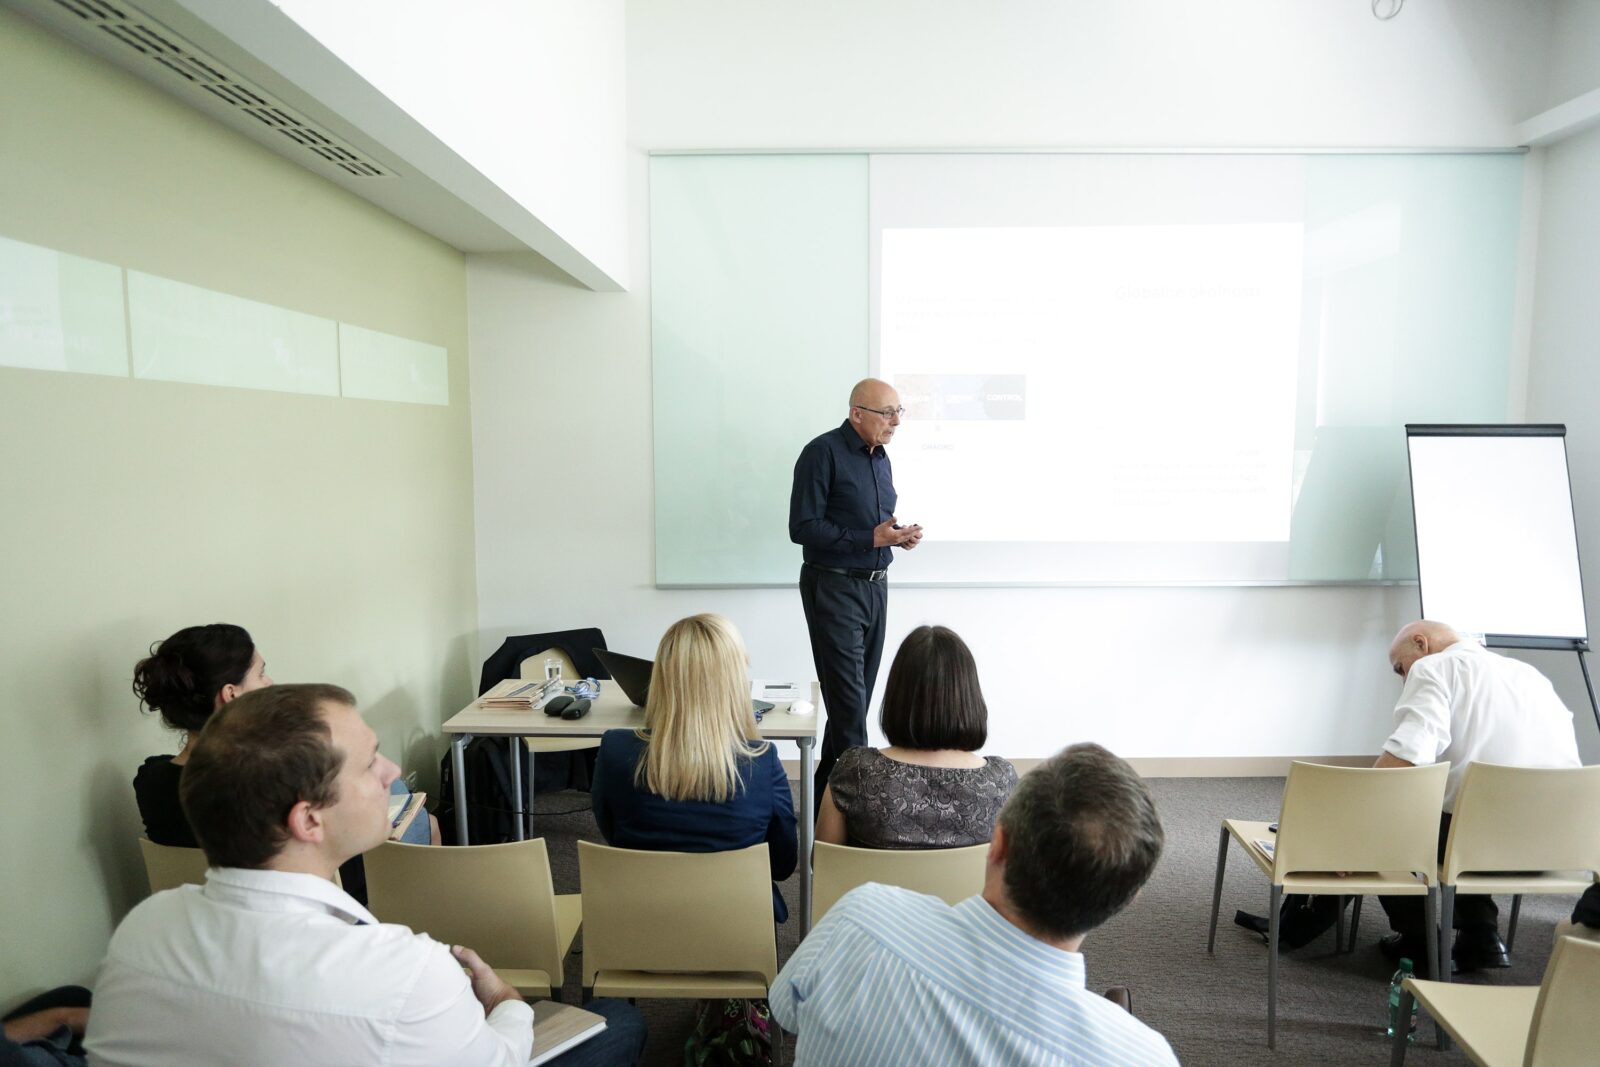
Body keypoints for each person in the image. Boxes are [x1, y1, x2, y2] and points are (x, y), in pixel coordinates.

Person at [85, 683, 646, 1067]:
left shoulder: (140, 931)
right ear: (308, 819)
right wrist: (505, 1001)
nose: (392, 771)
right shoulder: (406, 971)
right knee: (617, 1023)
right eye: (369, 760)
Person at [770, 742, 1177, 1067]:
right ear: (1127, 898)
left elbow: (785, 1012)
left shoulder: (858, 918)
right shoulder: (1141, 1055)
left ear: (997, 843)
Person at [130, 624, 438, 883]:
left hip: (207, 907)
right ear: (231, 694)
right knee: (424, 816)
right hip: (336, 890)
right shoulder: (273, 780)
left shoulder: (149, 780)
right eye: (261, 674)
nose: (270, 683)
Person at [1375, 620, 1582, 973]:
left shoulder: (1433, 667)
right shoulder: (1530, 675)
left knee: (1387, 824)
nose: (1403, 679)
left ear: (1421, 644)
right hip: (1555, 846)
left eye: (1400, 668)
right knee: (1465, 808)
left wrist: (1354, 808)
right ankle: (1481, 936)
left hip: (1476, 845)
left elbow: (1409, 754)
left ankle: (1421, 943)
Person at [591, 613, 798, 920]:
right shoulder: (761, 761)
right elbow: (782, 865)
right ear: (734, 682)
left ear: (660, 677)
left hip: (639, 933)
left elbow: (613, 835)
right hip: (738, 942)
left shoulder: (615, 750)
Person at [790, 378, 924, 810]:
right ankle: (855, 827)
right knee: (849, 715)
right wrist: (870, 538)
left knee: (855, 707)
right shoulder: (821, 453)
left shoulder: (880, 459)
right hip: (834, 587)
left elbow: (872, 526)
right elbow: (803, 528)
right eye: (887, 412)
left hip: (875, 589)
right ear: (857, 413)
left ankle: (817, 816)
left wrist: (895, 536)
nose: (896, 422)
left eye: (899, 411)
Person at [817, 625, 1017, 848]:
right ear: (969, 697)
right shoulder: (1002, 782)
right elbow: (1013, 874)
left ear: (897, 693)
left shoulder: (854, 771)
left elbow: (825, 866)